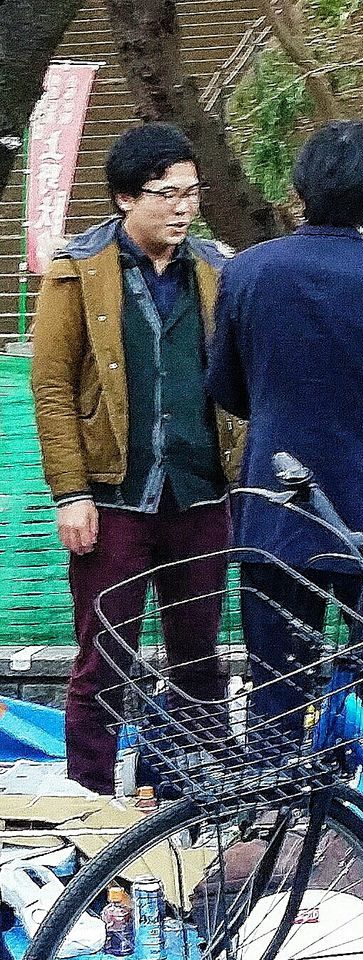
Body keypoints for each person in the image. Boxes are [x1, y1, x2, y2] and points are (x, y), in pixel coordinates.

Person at [206, 121, 363, 877]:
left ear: (299, 191)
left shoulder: (247, 272)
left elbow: (226, 388)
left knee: (277, 689)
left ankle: (275, 871)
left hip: (275, 508)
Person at [30, 123, 239, 795]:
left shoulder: (215, 269)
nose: (181, 208)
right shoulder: (76, 271)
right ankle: (88, 803)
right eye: (165, 194)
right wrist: (70, 491)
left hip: (201, 494)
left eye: (190, 193)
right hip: (112, 498)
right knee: (105, 660)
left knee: (199, 658)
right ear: (125, 197)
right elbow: (53, 385)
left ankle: (200, 797)